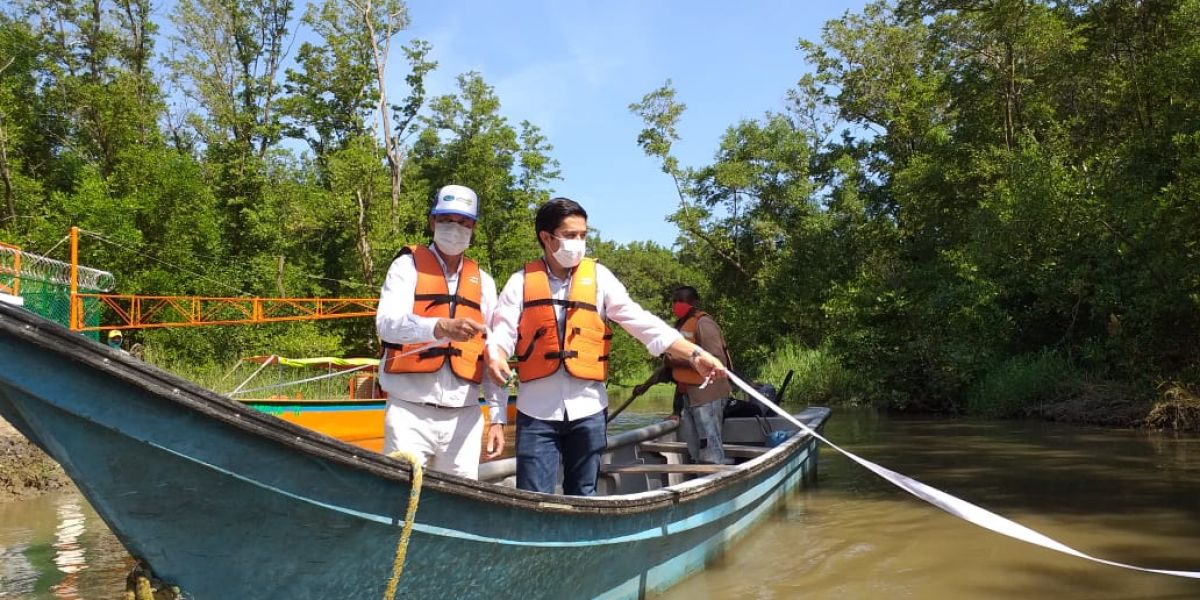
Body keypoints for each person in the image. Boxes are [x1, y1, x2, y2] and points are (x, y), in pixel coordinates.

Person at [486, 198, 728, 495]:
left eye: (583, 235)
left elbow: (640, 321)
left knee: (584, 495)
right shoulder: (520, 282)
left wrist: (694, 353)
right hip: (536, 412)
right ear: (546, 238)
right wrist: (496, 354)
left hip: (588, 410)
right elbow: (502, 332)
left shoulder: (600, 278)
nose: (579, 242)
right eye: (570, 235)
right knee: (532, 498)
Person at [375, 184, 506, 480]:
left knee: (460, 499)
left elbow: (491, 352)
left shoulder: (484, 282)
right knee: (399, 496)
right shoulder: (405, 267)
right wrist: (439, 327)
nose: (455, 228)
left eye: (463, 222)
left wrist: (497, 417)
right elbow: (386, 324)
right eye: (447, 220)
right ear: (433, 221)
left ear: (473, 227)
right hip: (409, 411)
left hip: (465, 415)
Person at [632, 286, 734, 464]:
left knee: (709, 445)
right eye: (675, 300)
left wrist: (679, 362)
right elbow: (668, 366)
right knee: (693, 447)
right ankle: (697, 474)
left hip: (707, 396)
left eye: (682, 300)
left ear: (693, 303)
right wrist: (645, 386)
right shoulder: (679, 326)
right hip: (687, 397)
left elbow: (717, 362)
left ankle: (714, 474)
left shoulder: (704, 324)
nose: (677, 304)